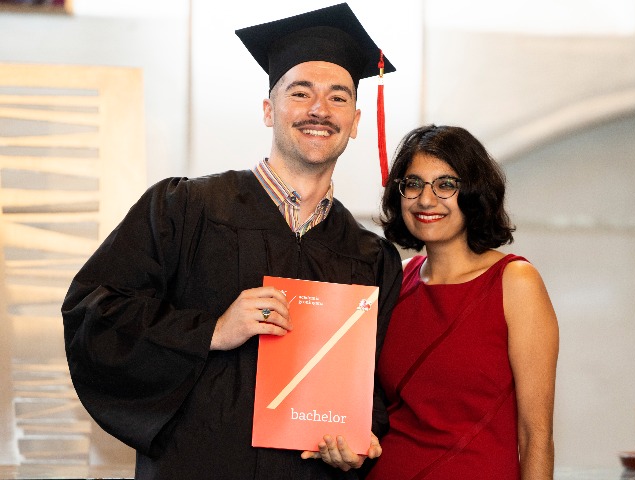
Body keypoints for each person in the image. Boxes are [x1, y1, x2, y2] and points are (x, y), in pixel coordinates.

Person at [61, 4, 402, 479]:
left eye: (338, 97)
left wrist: (361, 440)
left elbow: (376, 391)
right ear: (269, 110)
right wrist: (212, 331)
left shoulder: (370, 258)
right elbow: (94, 314)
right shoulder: (184, 209)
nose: (319, 110)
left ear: (356, 120)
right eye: (300, 92)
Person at [364, 125, 559, 480]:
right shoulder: (397, 279)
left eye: (445, 185)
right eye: (413, 184)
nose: (426, 200)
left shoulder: (515, 281)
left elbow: (536, 435)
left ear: (473, 193)